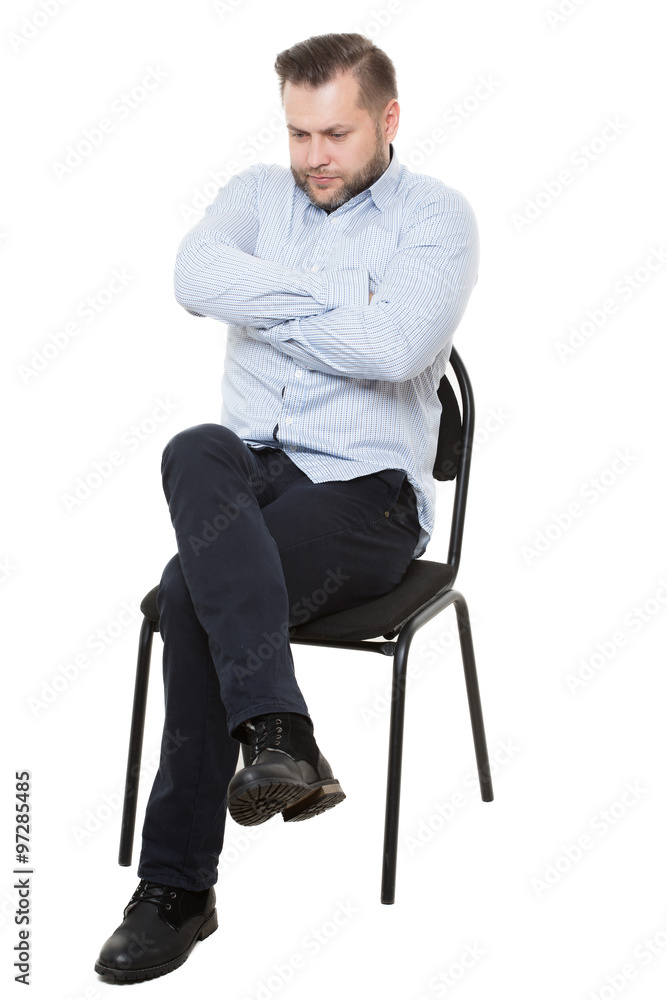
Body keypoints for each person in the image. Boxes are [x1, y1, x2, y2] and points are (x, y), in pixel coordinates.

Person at [94, 31, 479, 983]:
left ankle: (178, 888)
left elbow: (395, 352)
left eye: (336, 134)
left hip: (367, 498)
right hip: (249, 473)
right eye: (299, 133)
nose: (313, 157)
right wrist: (346, 311)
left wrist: (266, 305)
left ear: (387, 120)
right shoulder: (258, 195)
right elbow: (194, 280)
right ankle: (279, 736)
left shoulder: (436, 219)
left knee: (191, 596)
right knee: (194, 446)